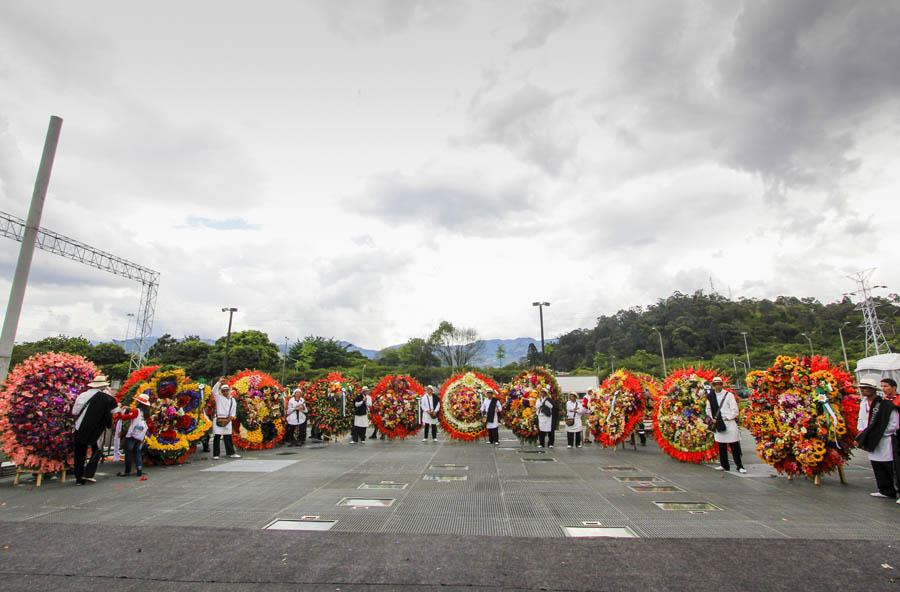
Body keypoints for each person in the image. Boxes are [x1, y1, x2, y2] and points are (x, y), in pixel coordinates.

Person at [856, 379, 899, 502]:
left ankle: (893, 489)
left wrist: (881, 434)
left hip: (885, 438)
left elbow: (894, 423)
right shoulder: (864, 403)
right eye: (861, 388)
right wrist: (862, 434)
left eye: (865, 388)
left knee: (888, 463)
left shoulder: (884, 404)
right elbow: (862, 419)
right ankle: (884, 489)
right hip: (870, 437)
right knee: (876, 462)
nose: (862, 390)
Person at [71, 374, 118, 485]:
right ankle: (88, 473)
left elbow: (74, 412)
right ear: (103, 386)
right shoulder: (107, 398)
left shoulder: (82, 395)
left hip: (80, 427)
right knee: (96, 450)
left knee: (79, 453)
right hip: (96, 430)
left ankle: (79, 478)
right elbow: (115, 412)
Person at [704, 376, 745, 473]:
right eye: (715, 384)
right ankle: (724, 465)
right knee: (721, 446)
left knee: (734, 445)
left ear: (722, 384)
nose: (717, 386)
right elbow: (708, 409)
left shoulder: (729, 395)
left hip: (729, 423)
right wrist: (713, 418)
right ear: (713, 385)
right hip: (718, 423)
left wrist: (727, 417)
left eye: (719, 384)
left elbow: (735, 410)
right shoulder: (711, 396)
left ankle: (740, 466)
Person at [116, 393, 150, 478]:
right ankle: (139, 469)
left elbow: (124, 417)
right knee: (137, 452)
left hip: (132, 434)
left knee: (128, 452)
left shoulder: (137, 410)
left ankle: (127, 471)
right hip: (140, 435)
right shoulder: (146, 412)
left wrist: (120, 412)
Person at [212, 378, 240, 460]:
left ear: (229, 390)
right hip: (219, 419)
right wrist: (219, 382)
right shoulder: (219, 397)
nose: (225, 392)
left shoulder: (232, 400)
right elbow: (214, 391)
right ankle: (216, 454)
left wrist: (232, 416)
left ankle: (231, 453)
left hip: (228, 419)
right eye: (223, 390)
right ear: (221, 391)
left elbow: (233, 409)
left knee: (228, 437)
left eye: (226, 390)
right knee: (217, 437)